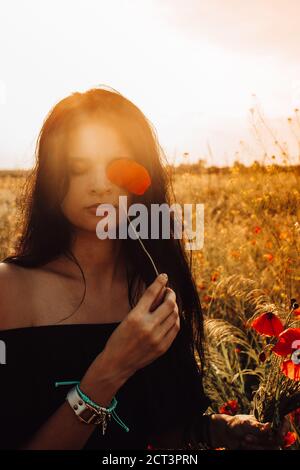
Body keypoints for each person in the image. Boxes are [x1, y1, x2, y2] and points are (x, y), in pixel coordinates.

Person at [0, 87, 281, 450]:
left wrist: (216, 430)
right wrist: (109, 370)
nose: (100, 184)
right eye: (78, 167)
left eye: (117, 167)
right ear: (52, 177)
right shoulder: (9, 291)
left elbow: (158, 434)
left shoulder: (154, 289)